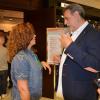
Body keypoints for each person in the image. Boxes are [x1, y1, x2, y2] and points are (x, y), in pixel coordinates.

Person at [54, 4, 100, 100]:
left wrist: (70, 46)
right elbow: (75, 57)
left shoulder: (94, 35)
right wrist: (62, 59)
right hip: (68, 91)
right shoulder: (73, 34)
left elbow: (96, 65)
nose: (65, 22)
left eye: (67, 18)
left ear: (76, 14)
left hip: (82, 94)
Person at [7, 22, 51, 100]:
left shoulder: (31, 53)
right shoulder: (21, 58)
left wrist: (41, 63)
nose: (35, 35)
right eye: (31, 34)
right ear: (23, 37)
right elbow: (23, 90)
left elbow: (30, 68)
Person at [0, 30, 8, 99]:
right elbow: (8, 59)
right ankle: (3, 93)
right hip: (4, 68)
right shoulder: (6, 49)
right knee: (4, 82)